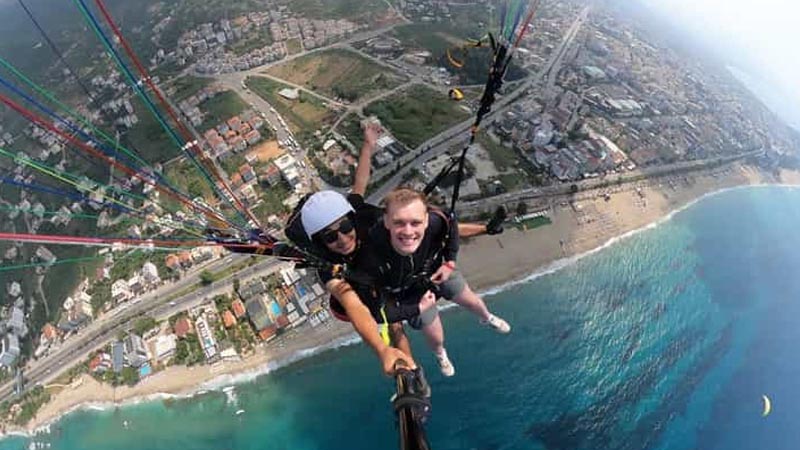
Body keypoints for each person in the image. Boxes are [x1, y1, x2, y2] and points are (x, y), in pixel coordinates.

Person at [369, 187, 511, 377]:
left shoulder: (436, 223)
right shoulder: (374, 244)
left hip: (435, 271)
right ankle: (441, 354)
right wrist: (415, 309)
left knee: (473, 301)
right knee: (435, 334)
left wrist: (450, 262)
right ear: (386, 222)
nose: (408, 231)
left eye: (415, 222)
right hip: (410, 294)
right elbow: (379, 310)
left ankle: (487, 318)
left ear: (426, 220)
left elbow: (451, 226)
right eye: (399, 223)